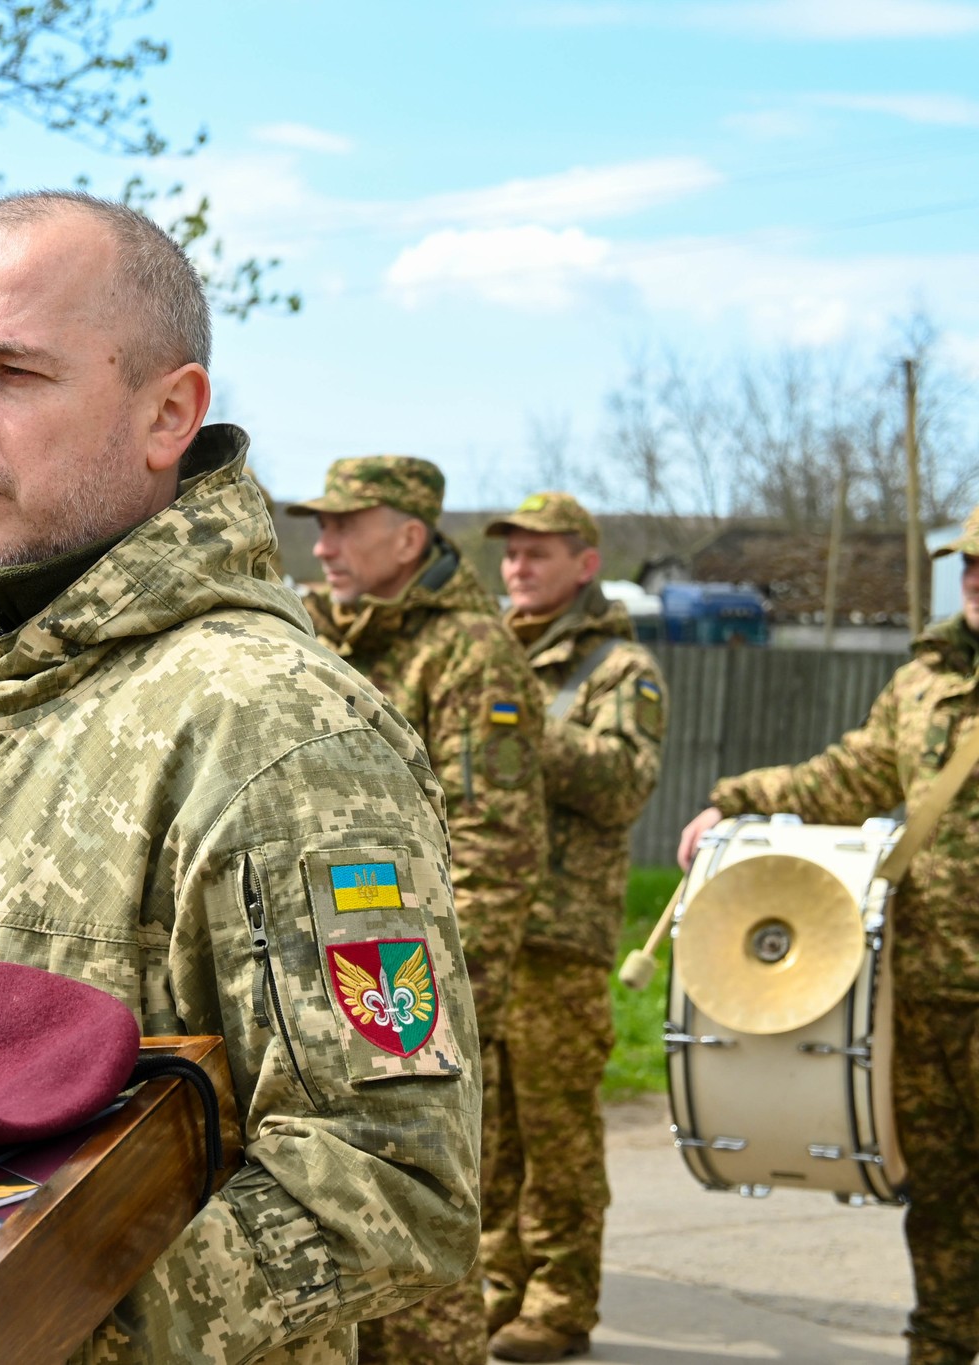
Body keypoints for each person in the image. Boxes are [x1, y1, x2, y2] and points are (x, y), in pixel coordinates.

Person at [0, 191, 479, 1365]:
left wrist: (12, 1334)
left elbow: (388, 1180)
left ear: (167, 413)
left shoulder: (275, 731)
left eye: (11, 374)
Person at [678, 505, 979, 1365]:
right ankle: (945, 1341)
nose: (978, 579)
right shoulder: (927, 681)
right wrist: (738, 797)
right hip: (924, 991)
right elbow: (852, 770)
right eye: (970, 564)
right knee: (946, 1187)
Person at [290, 457, 549, 1365]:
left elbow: (499, 840)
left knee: (421, 1248)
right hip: (321, 975)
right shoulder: (325, 633)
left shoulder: (473, 652)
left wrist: (434, 1002)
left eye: (344, 525)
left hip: (407, 988)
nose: (321, 544)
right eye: (318, 525)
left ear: (408, 537)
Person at [480, 493, 664, 1363]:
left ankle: (559, 1299)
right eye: (512, 553)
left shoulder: (620, 667)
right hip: (482, 925)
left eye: (539, 553)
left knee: (556, 1135)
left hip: (560, 934)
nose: (519, 567)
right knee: (489, 1131)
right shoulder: (488, 651)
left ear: (585, 564)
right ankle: (494, 1281)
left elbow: (626, 780)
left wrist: (515, 732)